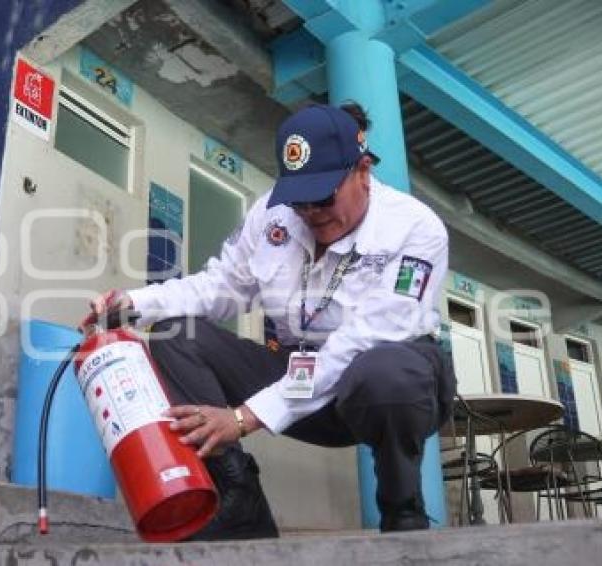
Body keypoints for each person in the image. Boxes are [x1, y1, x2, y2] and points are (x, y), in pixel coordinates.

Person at [88, 103, 455, 539]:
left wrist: (243, 417)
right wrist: (134, 302)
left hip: (386, 381)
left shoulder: (415, 229)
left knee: (385, 374)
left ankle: (403, 512)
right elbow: (221, 285)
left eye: (322, 198)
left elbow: (359, 342)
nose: (311, 213)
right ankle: (238, 499)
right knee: (174, 332)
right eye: (299, 201)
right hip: (302, 372)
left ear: (363, 170)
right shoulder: (272, 216)